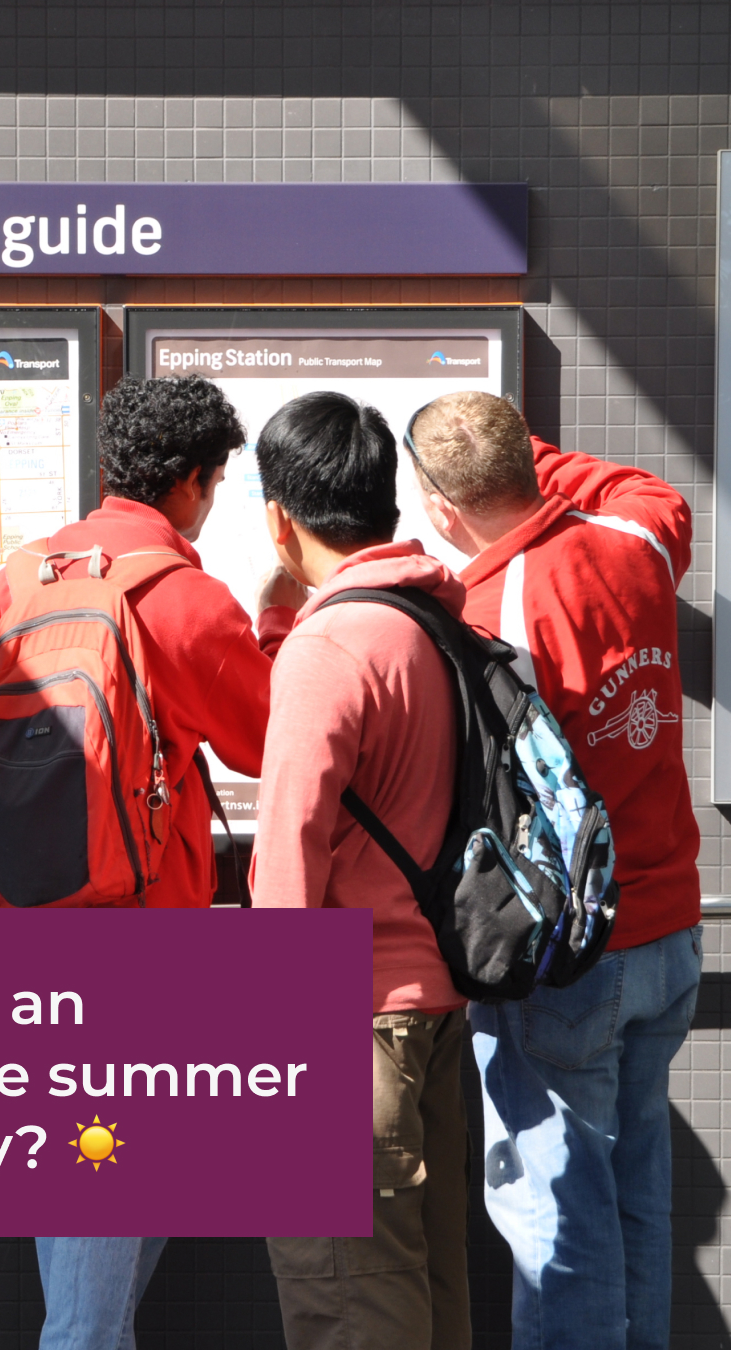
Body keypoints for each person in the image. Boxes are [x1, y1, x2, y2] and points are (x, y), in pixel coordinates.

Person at [0, 374, 300, 1350]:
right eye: (216, 486)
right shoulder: (178, 596)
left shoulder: (18, 580)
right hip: (132, 944)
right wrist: (281, 625)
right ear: (195, 484)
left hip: (16, 929)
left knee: (124, 1179)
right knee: (94, 1250)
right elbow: (270, 739)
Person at [406, 390, 702, 1350]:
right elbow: (647, 490)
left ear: (442, 510)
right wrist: (524, 459)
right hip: (670, 937)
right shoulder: (639, 544)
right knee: (634, 1199)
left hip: (572, 955)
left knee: (554, 1217)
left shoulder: (490, 613)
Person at [250, 391, 471, 1350]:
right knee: (424, 1289)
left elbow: (290, 843)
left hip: (349, 1025)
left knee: (349, 1305)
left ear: (280, 519)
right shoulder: (433, 625)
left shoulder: (331, 646)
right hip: (433, 1014)